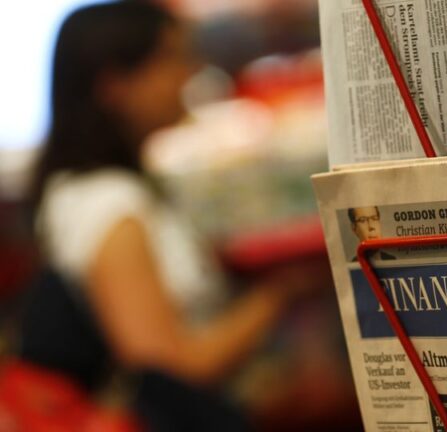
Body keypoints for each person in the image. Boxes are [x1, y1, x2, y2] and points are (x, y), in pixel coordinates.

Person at [18, 1, 307, 430]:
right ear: (114, 84)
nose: (189, 74)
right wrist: (283, 291)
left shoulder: (93, 191)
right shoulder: (110, 206)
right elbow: (170, 371)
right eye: (171, 58)